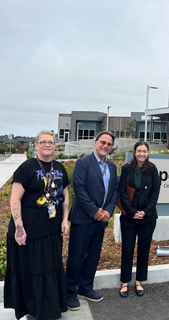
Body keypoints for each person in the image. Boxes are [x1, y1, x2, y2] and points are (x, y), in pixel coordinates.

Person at [4, 130, 70, 320]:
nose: (47, 145)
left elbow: (65, 195)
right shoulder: (26, 168)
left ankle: (49, 308)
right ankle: (33, 310)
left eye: (50, 142)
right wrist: (19, 227)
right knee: (33, 270)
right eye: (43, 142)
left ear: (55, 145)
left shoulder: (59, 167)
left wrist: (65, 220)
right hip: (29, 230)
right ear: (37, 144)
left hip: (51, 230)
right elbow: (15, 199)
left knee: (50, 268)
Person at [65, 131, 118, 311]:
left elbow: (114, 192)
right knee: (76, 256)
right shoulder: (83, 163)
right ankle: (70, 292)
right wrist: (95, 212)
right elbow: (79, 189)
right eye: (102, 142)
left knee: (93, 256)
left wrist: (108, 213)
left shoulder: (112, 167)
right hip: (83, 219)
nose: (105, 146)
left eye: (109, 144)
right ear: (95, 143)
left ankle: (86, 288)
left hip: (101, 221)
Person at [118, 141, 161, 298]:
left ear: (148, 153)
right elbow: (122, 192)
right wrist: (132, 211)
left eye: (144, 151)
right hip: (129, 218)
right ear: (134, 152)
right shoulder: (126, 168)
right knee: (127, 249)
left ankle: (139, 281)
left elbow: (155, 192)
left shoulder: (152, 169)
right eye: (139, 151)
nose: (142, 154)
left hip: (147, 218)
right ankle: (124, 282)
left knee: (143, 249)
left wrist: (145, 212)